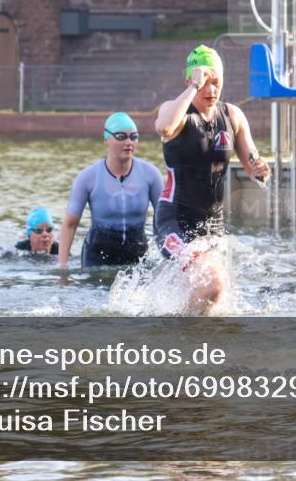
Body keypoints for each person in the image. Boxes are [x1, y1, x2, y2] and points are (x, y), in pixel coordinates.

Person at [154, 45, 270, 313]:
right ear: (190, 82)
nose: (211, 89)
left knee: (216, 294)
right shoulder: (175, 111)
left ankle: (183, 335)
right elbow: (164, 127)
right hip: (174, 222)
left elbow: (254, 164)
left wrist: (260, 169)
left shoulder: (232, 116)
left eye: (216, 82)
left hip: (212, 225)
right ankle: (188, 341)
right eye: (205, 82)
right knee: (213, 286)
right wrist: (194, 85)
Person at [57, 112, 163, 269]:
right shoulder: (87, 178)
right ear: (106, 140)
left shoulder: (151, 175)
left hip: (137, 259)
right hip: (97, 260)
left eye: (134, 137)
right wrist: (62, 267)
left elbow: (164, 219)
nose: (129, 142)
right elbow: (70, 224)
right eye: (121, 136)